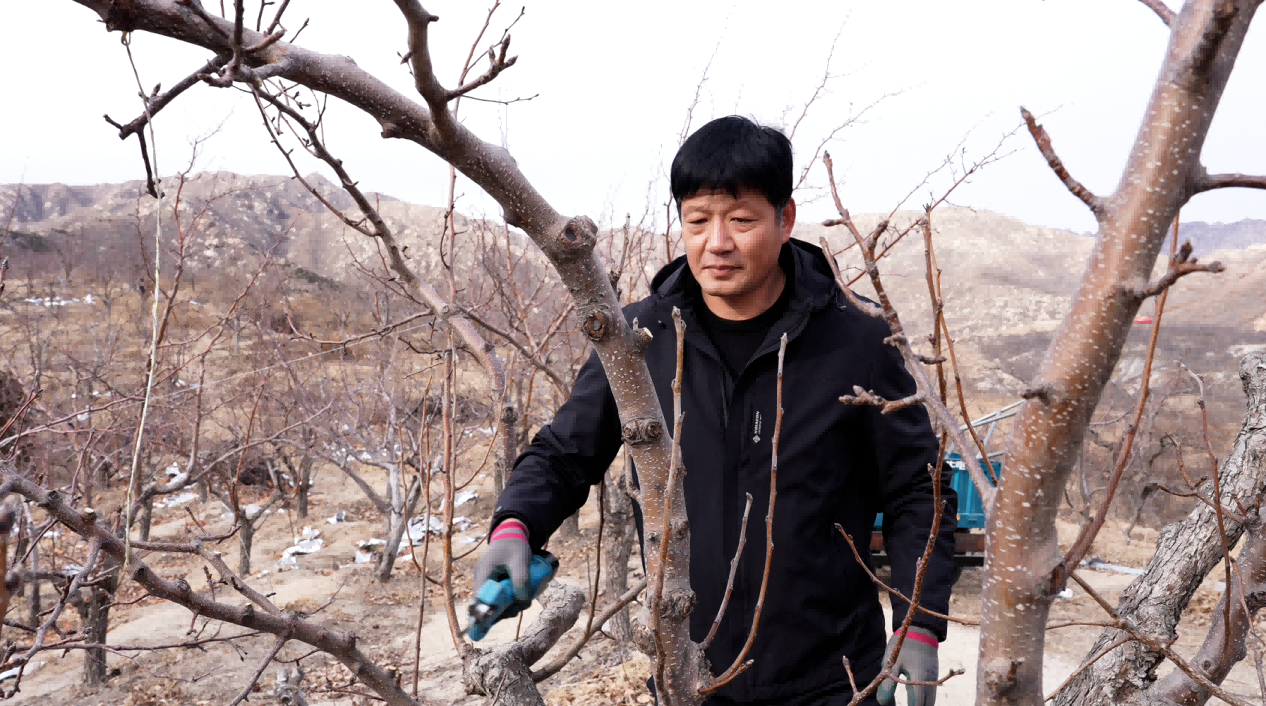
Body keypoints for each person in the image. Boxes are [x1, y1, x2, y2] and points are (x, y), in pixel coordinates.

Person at [476, 115, 958, 706]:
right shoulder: (639, 338)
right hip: (686, 676)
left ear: (785, 219)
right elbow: (564, 454)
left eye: (742, 220)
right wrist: (515, 523)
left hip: (835, 681)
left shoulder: (856, 339)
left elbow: (917, 490)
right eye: (698, 220)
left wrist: (920, 621)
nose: (717, 242)